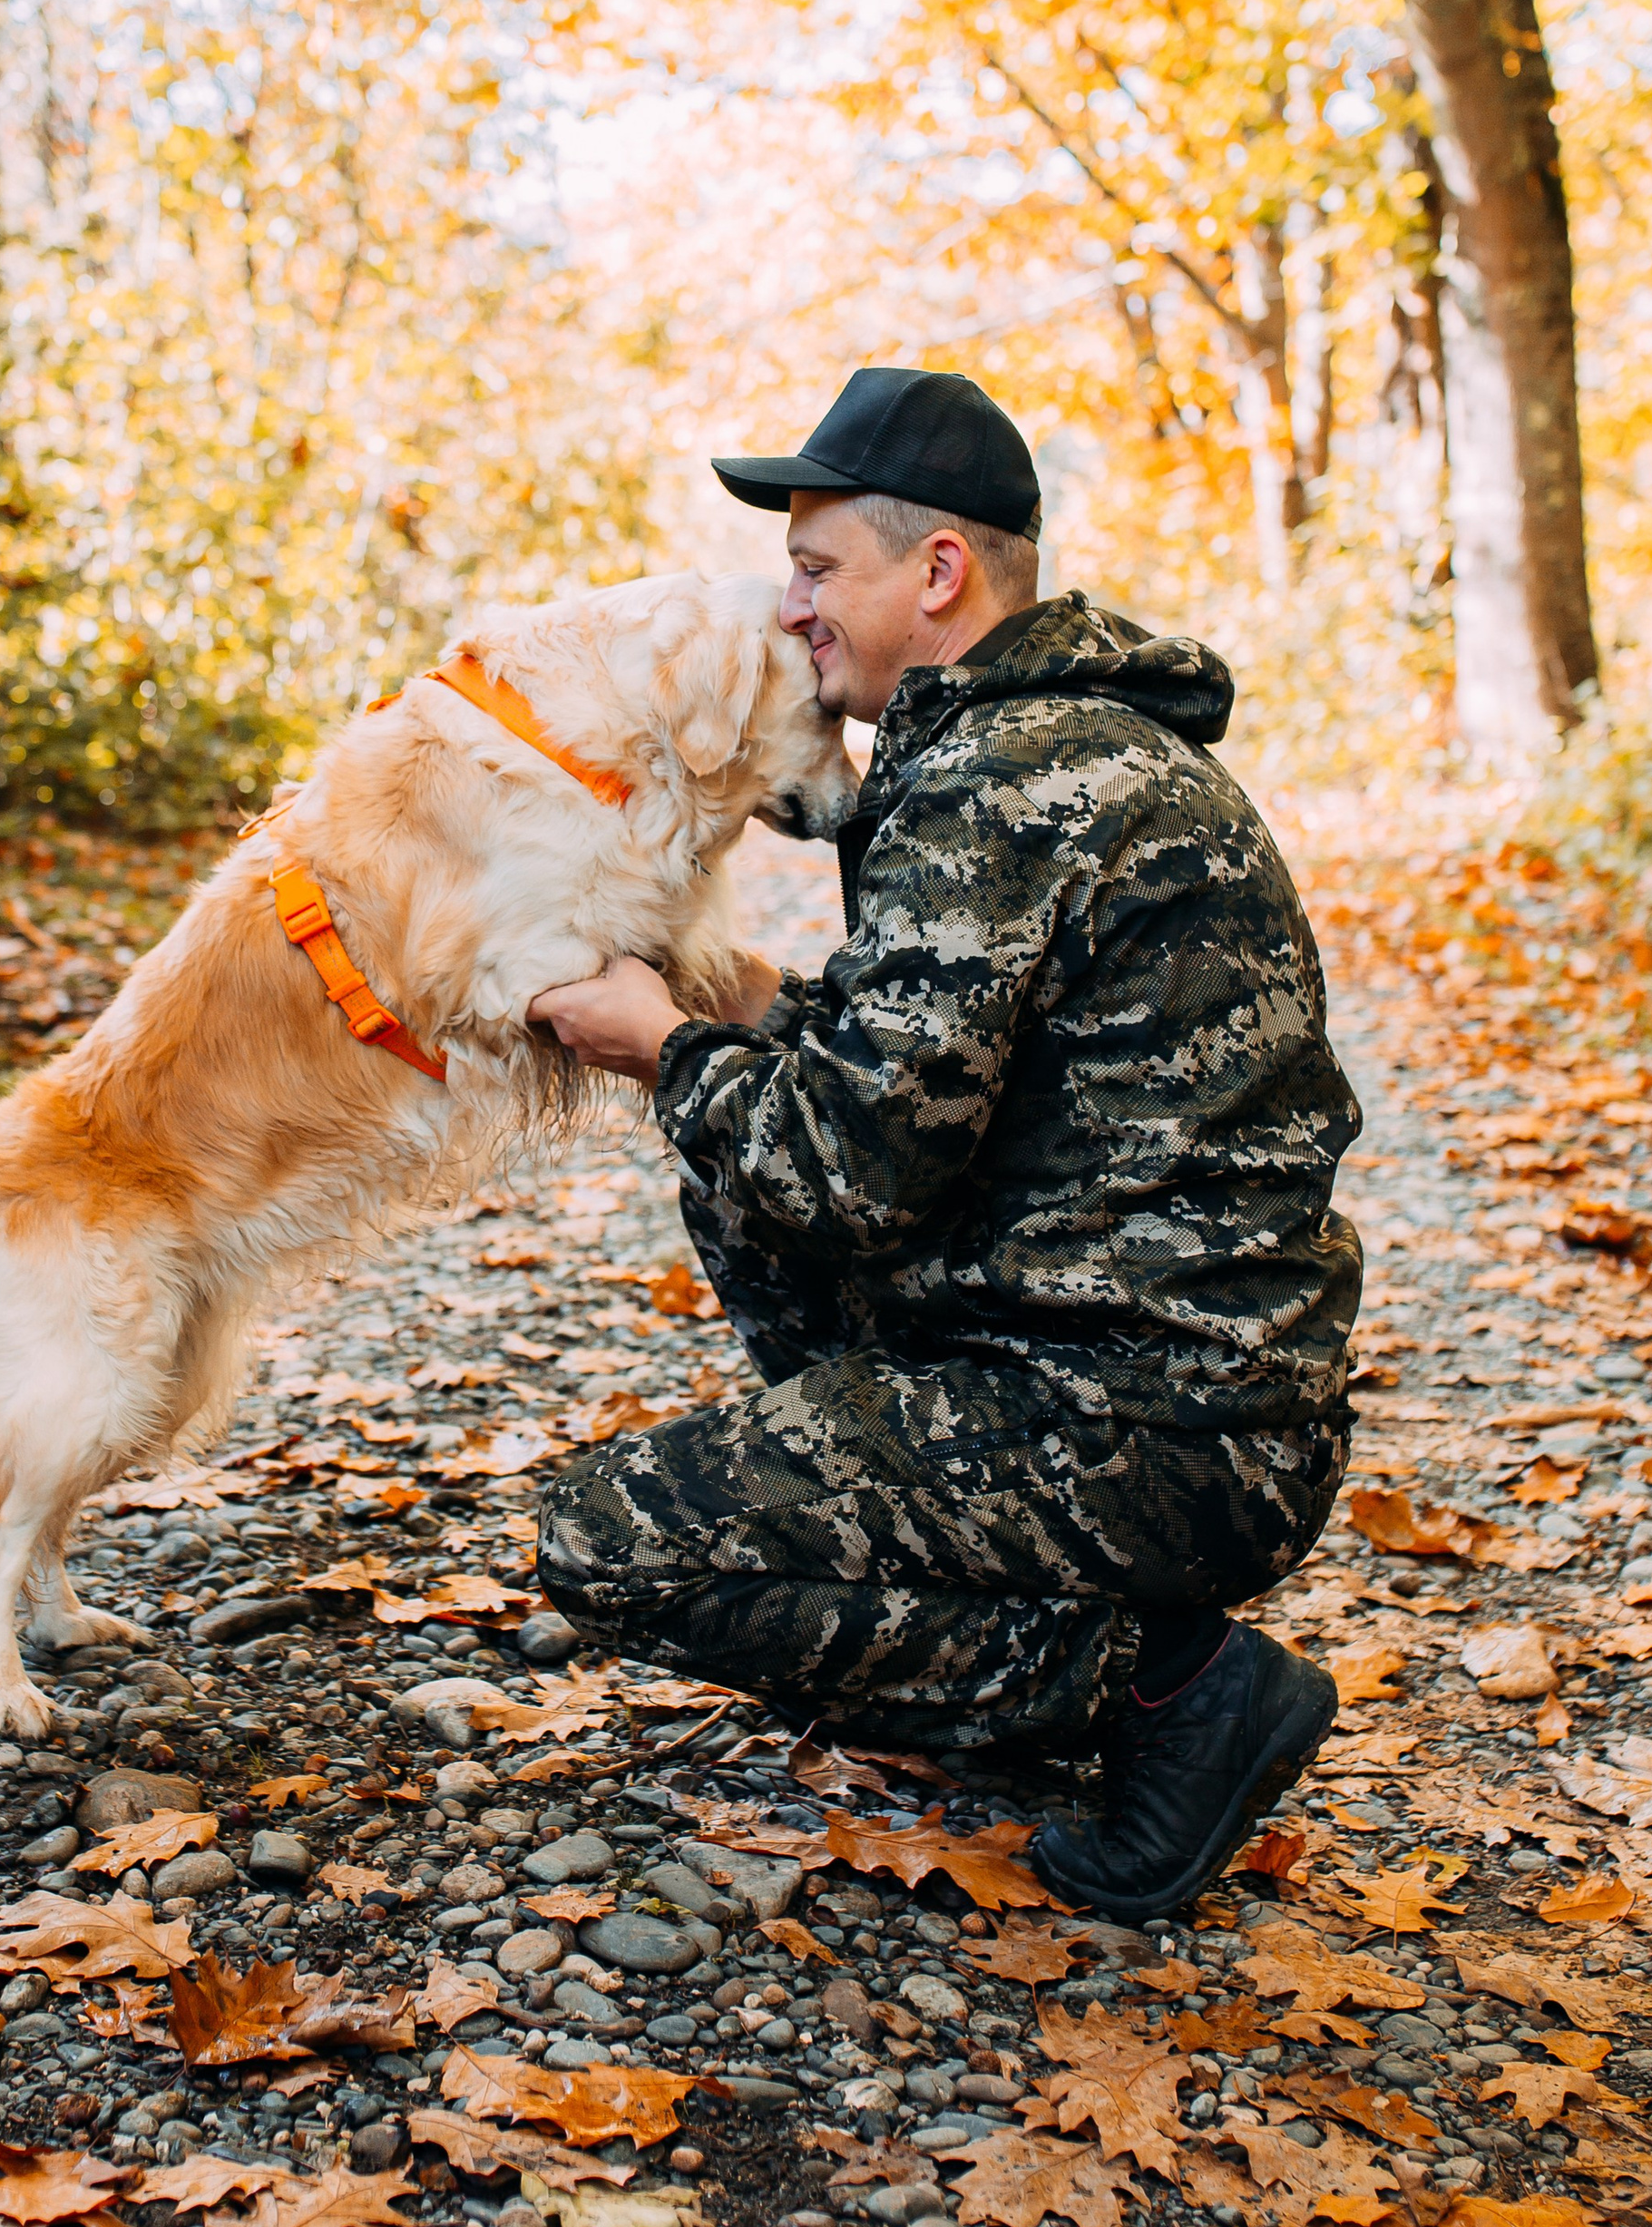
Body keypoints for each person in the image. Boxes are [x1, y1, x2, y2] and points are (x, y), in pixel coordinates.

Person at [523, 365, 1362, 1920]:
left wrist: (662, 1046)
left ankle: (1168, 1694)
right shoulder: (1064, 748)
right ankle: (984, 1587)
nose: (792, 610)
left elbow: (846, 1169)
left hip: (1148, 1429)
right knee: (743, 1130)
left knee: (608, 1541)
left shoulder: (1001, 782)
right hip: (1187, 1396)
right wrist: (743, 1014)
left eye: (819, 568)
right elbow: (928, 1066)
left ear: (939, 573)